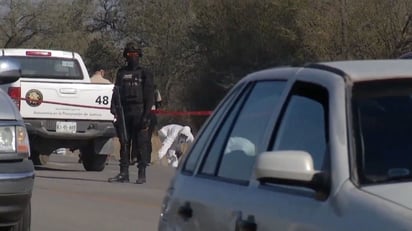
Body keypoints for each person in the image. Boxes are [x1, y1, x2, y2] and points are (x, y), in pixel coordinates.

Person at [108, 42, 154, 184]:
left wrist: (146, 116)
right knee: (124, 142)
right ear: (125, 56)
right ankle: (124, 173)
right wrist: (113, 107)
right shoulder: (121, 73)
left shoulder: (144, 73)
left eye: (134, 54)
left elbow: (149, 96)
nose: (132, 57)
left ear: (139, 56)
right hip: (124, 111)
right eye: (129, 54)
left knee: (141, 144)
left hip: (140, 112)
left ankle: (142, 174)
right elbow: (116, 92)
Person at [130, 86, 162, 166]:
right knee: (145, 137)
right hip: (148, 114)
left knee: (138, 136)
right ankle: (143, 158)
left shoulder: (137, 87)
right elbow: (159, 103)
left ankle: (140, 158)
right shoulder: (154, 90)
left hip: (141, 113)